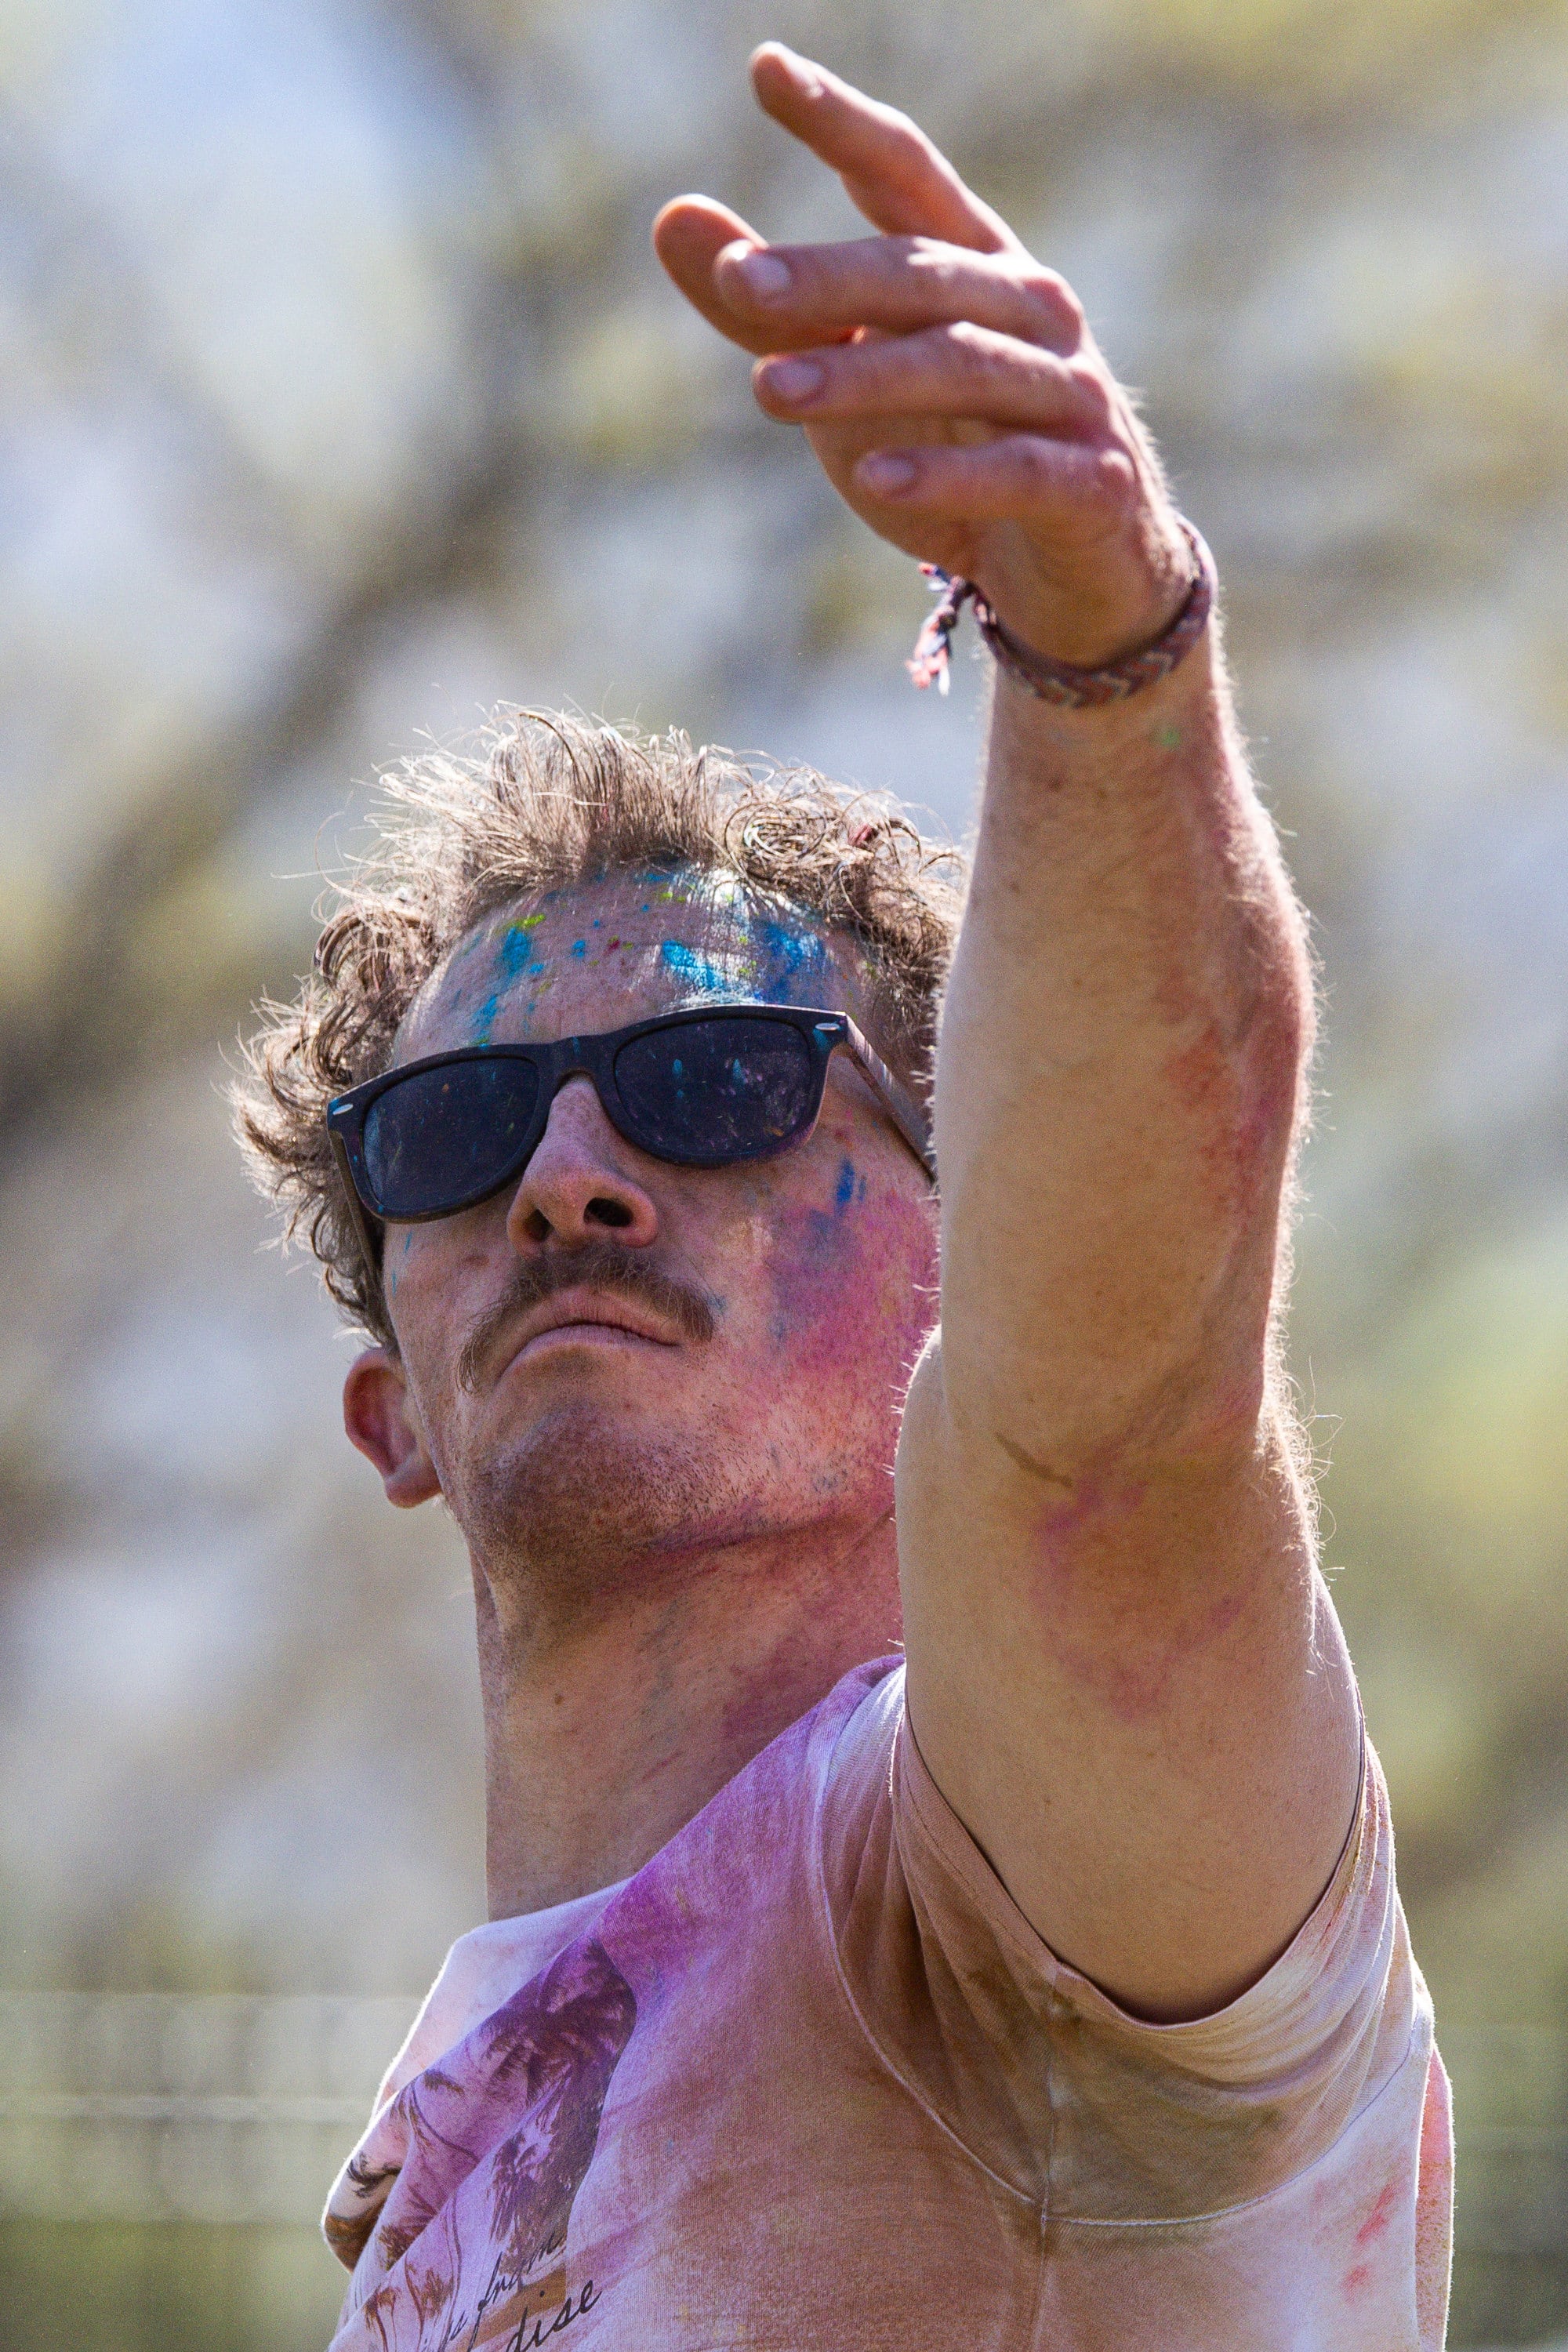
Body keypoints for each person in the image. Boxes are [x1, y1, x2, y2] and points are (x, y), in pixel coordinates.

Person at [236, 42, 1452, 2352]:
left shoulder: (1023, 1896)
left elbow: (1117, 1429)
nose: (573, 1178)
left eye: (710, 1089)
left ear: (967, 1251)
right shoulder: (450, 2153)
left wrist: (1108, 666)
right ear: (388, 1403)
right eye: (460, 1139)